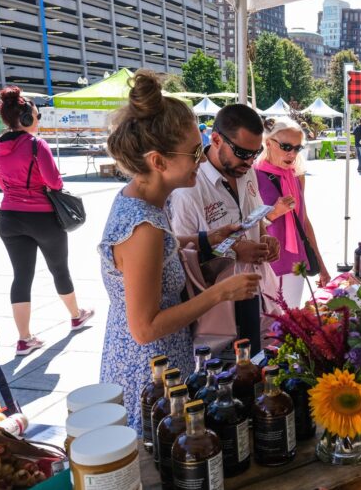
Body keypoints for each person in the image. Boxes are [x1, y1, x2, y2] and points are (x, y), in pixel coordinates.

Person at [98, 70, 261, 431]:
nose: (201, 159)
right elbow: (144, 328)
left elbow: (160, 253)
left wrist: (206, 240)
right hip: (150, 371)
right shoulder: (144, 226)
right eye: (192, 152)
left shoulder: (143, 202)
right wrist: (221, 292)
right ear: (158, 162)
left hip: (159, 360)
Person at [171, 104, 292, 355]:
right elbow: (183, 258)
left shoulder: (246, 172)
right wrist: (235, 253)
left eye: (255, 153)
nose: (249, 161)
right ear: (216, 140)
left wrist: (267, 239)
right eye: (242, 152)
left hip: (260, 295)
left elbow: (256, 217)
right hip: (220, 312)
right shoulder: (189, 188)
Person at [0, 87, 93, 356]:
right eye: (36, 116)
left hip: (9, 218)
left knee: (21, 275)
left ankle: (24, 339)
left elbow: (2, 183)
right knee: (59, 269)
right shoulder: (37, 145)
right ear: (26, 118)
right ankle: (76, 316)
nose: (38, 120)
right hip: (42, 219)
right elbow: (54, 182)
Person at [254, 117, 331, 307]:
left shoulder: (296, 176)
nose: (292, 153)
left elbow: (303, 221)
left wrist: (320, 263)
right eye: (287, 147)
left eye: (298, 148)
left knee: (291, 322)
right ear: (269, 143)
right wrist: (274, 213)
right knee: (268, 326)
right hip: (266, 261)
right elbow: (243, 224)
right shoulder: (252, 175)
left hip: (296, 261)